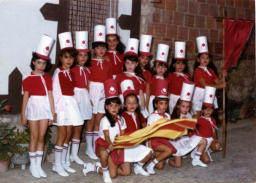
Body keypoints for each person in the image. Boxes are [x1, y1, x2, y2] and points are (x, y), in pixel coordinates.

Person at [21, 35, 55, 178]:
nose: (41, 66)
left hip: (44, 107)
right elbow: (26, 97)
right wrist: (23, 114)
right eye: (39, 62)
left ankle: (38, 165)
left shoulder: (47, 78)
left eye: (44, 63)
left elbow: (50, 95)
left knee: (41, 137)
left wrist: (53, 113)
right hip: (33, 108)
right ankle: (33, 166)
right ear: (34, 62)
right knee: (34, 137)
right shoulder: (27, 78)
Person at [52, 32, 83, 176]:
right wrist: (57, 112)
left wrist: (76, 105)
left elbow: (74, 90)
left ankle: (64, 162)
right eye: (66, 57)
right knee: (62, 135)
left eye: (71, 57)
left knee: (69, 134)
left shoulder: (71, 72)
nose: (69, 60)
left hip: (71, 104)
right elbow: (56, 93)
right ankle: (57, 165)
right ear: (60, 58)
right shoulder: (58, 73)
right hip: (62, 106)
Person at [87, 25, 113, 159]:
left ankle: (96, 146)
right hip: (92, 91)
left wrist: (108, 96)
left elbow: (109, 81)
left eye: (103, 47)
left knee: (99, 120)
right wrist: (88, 95)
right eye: (98, 47)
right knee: (91, 120)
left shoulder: (108, 64)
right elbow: (87, 81)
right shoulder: (90, 62)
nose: (101, 50)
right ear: (94, 49)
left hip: (103, 93)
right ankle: (88, 148)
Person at [69, 31, 92, 165]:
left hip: (84, 97)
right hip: (73, 97)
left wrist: (89, 98)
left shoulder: (88, 70)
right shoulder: (71, 70)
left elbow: (88, 85)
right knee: (71, 127)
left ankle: (74, 155)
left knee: (80, 126)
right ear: (75, 56)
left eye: (85, 55)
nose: (83, 58)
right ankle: (67, 154)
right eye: (80, 55)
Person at [146, 79, 177, 174]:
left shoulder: (168, 116)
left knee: (160, 167)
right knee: (169, 150)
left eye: (165, 103)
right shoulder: (152, 116)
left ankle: (157, 157)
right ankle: (151, 164)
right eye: (161, 103)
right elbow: (148, 133)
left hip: (163, 140)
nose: (164, 106)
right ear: (155, 104)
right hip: (154, 140)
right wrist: (149, 147)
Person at [192, 36, 226, 118]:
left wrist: (223, 77)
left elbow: (218, 81)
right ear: (198, 59)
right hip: (200, 94)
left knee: (208, 114)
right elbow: (205, 85)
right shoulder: (198, 70)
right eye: (203, 57)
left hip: (209, 93)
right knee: (198, 114)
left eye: (207, 58)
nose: (205, 59)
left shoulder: (210, 70)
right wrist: (220, 86)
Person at [168, 42, 191, 114]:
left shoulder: (187, 76)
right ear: (174, 65)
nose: (180, 65)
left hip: (183, 99)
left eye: (182, 63)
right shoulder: (171, 75)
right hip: (173, 98)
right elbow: (168, 88)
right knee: (173, 113)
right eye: (178, 63)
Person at [148, 43, 169, 114]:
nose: (161, 69)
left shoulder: (166, 80)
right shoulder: (152, 78)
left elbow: (168, 92)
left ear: (166, 69)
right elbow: (148, 91)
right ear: (154, 68)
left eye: (163, 67)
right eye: (158, 67)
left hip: (162, 101)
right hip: (152, 99)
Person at [138, 34, 153, 110]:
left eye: (147, 58)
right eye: (142, 57)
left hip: (143, 97)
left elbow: (148, 90)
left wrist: (147, 105)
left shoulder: (148, 73)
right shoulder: (134, 71)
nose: (145, 60)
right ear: (138, 57)